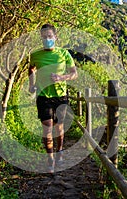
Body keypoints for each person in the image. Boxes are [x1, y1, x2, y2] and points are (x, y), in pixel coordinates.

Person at [28, 24, 78, 173]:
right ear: (41, 38)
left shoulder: (64, 54)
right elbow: (31, 69)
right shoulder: (35, 55)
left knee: (59, 126)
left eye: (50, 36)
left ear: (55, 37)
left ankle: (60, 150)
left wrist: (61, 77)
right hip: (43, 96)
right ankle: (50, 159)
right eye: (44, 37)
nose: (47, 39)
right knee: (47, 127)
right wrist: (32, 84)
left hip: (61, 96)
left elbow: (74, 74)